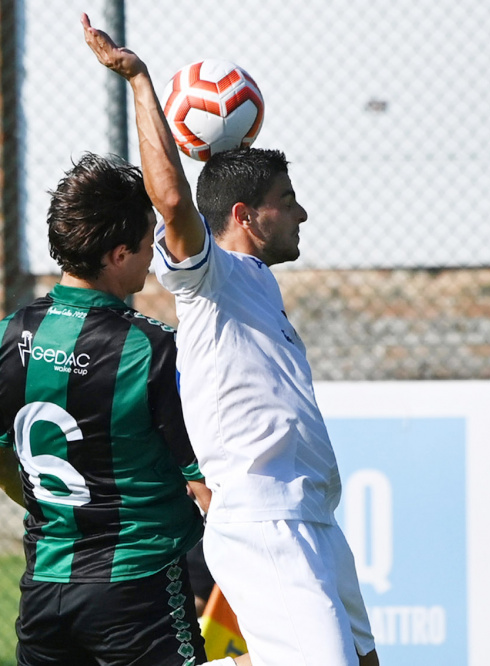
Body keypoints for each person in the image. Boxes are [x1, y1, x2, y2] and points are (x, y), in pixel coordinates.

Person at [82, 15, 379, 666]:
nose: (301, 213)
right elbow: (170, 201)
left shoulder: (258, 284)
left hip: (313, 516)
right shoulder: (208, 277)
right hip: (265, 520)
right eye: (288, 200)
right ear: (244, 215)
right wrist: (139, 83)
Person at [0, 152, 249, 666]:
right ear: (119, 254)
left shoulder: (6, 336)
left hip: (44, 591)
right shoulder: (153, 349)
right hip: (137, 593)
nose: (156, 255)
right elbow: (205, 489)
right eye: (150, 242)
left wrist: (70, 521)